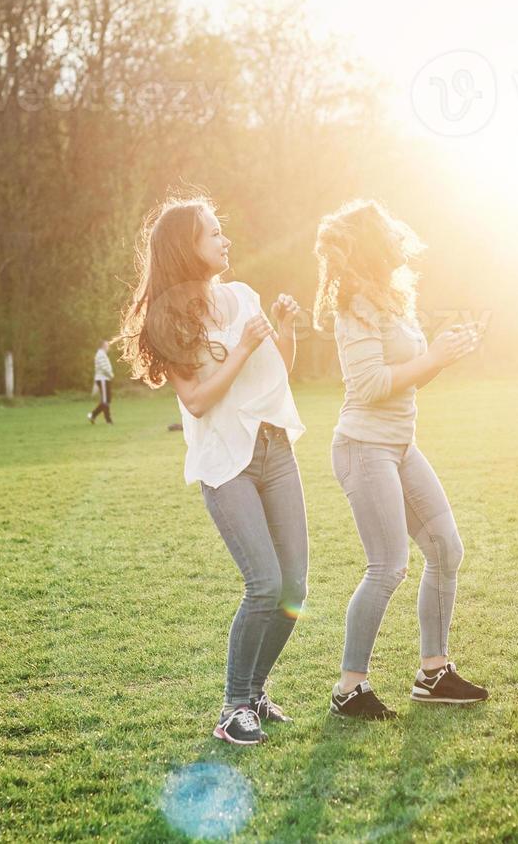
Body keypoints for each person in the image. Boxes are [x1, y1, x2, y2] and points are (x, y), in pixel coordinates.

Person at [120, 193, 307, 746]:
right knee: (264, 584)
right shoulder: (169, 319)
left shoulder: (244, 296)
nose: (225, 240)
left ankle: (255, 694)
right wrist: (245, 348)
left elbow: (279, 375)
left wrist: (282, 330)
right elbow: (197, 402)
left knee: (294, 586)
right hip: (228, 463)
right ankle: (233, 707)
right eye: (213, 233)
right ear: (187, 248)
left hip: (276, 451)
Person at [314, 199, 487, 720]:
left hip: (399, 446)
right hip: (363, 448)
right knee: (388, 566)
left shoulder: (390, 299)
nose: (397, 234)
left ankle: (433, 674)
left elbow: (409, 374)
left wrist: (440, 354)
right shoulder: (355, 305)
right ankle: (350, 689)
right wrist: (431, 357)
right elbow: (367, 386)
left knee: (445, 549)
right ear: (373, 243)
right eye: (386, 229)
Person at [89, 339, 114, 424]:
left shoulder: (102, 354)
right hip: (102, 379)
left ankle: (93, 415)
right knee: (105, 400)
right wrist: (110, 375)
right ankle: (108, 420)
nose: (108, 347)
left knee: (107, 399)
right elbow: (104, 368)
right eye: (107, 345)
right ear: (103, 346)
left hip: (105, 379)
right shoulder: (100, 354)